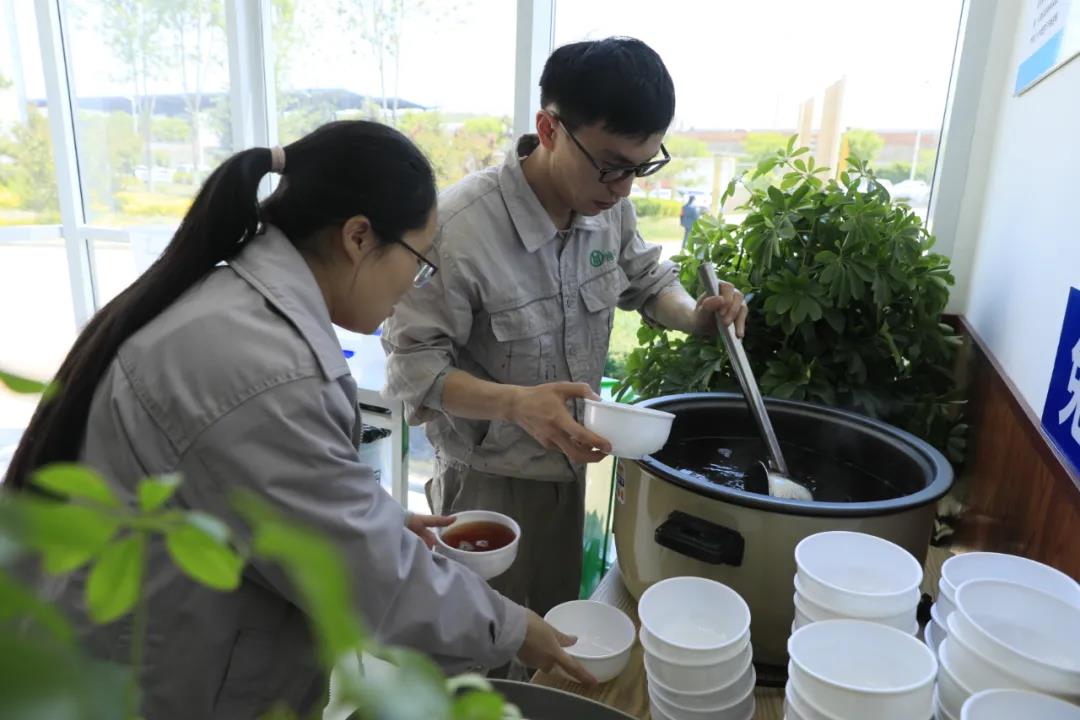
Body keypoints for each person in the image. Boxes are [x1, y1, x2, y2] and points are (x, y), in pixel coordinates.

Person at [3, 120, 593, 719]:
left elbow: (262, 493)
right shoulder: (258, 367)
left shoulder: (236, 307)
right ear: (359, 238)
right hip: (149, 679)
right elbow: (365, 577)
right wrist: (513, 628)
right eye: (418, 263)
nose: (414, 287)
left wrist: (375, 517)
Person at [382, 37, 748, 657]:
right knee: (481, 652)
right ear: (548, 129)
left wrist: (697, 315)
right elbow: (411, 370)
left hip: (567, 469)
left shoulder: (605, 207)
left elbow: (646, 281)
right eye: (611, 164)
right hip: (486, 484)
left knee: (550, 641)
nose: (625, 188)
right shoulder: (460, 229)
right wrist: (516, 404)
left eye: (643, 166)